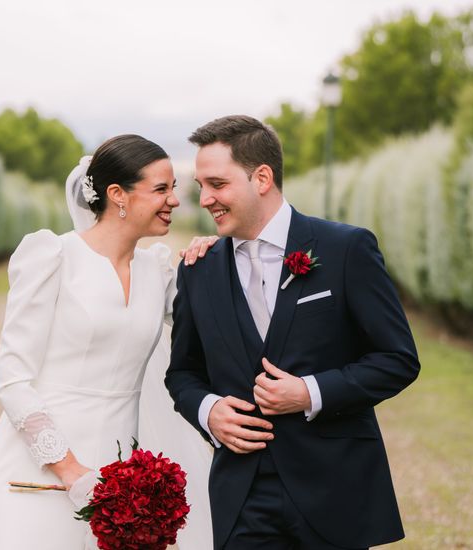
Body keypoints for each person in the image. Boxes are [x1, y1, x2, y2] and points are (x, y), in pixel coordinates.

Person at [165, 115, 421, 549]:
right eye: (201, 186)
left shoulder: (345, 249)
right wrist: (209, 411)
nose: (205, 198)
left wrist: (311, 392)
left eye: (217, 184)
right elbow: (182, 374)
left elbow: (397, 359)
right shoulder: (199, 270)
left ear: (261, 178)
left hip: (334, 487)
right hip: (243, 492)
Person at [0, 134, 213, 549]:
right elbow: (12, 380)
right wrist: (71, 471)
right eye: (161, 189)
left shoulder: (157, 271)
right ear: (117, 195)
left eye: (174, 188)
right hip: (37, 473)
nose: (174, 200)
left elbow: (209, 327)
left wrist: (215, 260)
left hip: (123, 480)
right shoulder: (53, 258)